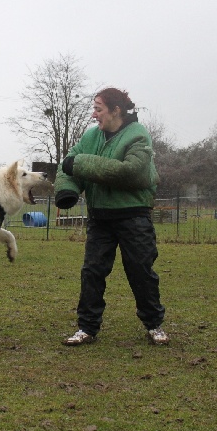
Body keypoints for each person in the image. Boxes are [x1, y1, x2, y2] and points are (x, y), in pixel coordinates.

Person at [54, 87, 168, 346]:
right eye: (93, 108)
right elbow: (67, 165)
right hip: (100, 217)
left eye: (98, 109)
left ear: (116, 110)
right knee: (92, 272)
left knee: (140, 272)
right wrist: (67, 191)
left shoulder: (138, 136)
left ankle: (154, 324)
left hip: (133, 217)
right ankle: (87, 328)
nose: (94, 115)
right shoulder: (91, 137)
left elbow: (130, 173)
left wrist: (80, 164)